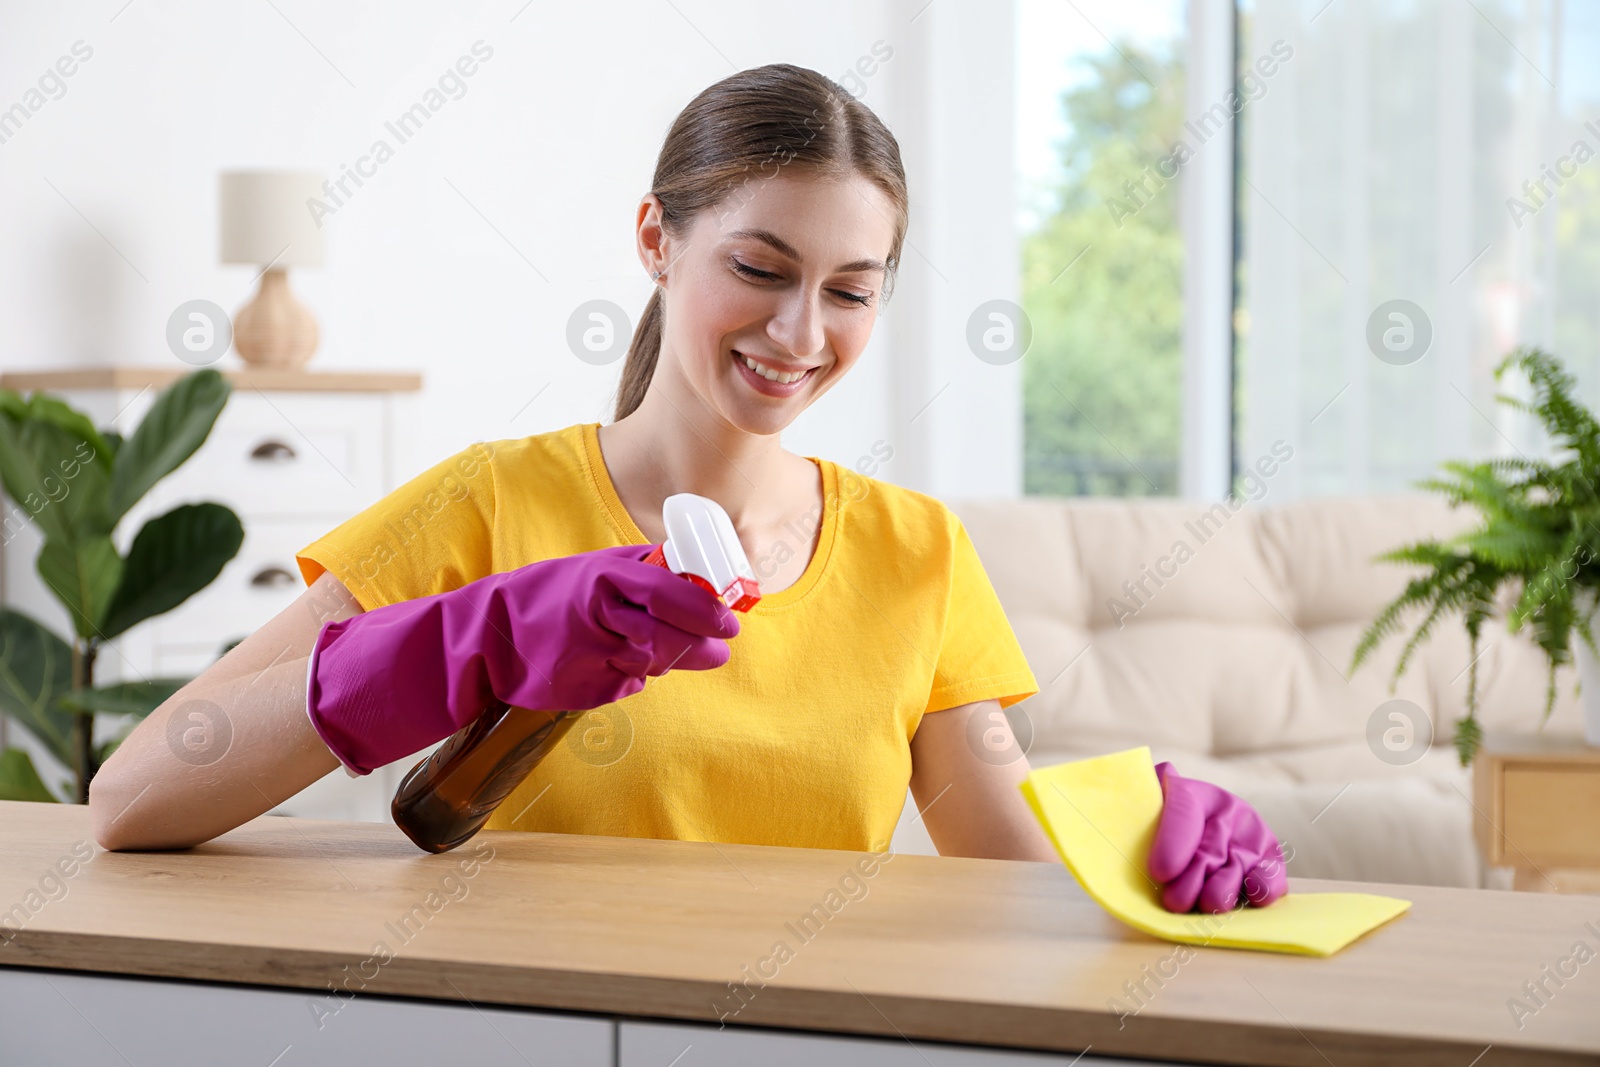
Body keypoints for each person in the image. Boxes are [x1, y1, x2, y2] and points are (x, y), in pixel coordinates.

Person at [88, 63, 1283, 914]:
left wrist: (1144, 848)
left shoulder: (915, 550)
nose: (799, 330)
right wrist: (471, 637)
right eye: (759, 268)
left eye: (851, 289)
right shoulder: (489, 502)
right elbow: (134, 794)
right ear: (657, 239)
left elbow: (1010, 874)